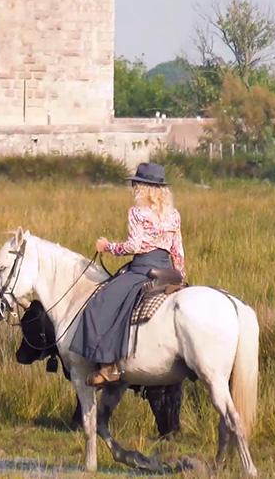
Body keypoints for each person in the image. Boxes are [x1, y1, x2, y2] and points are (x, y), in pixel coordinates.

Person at [72, 161, 185, 386]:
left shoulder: (137, 212)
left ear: (143, 188)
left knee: (101, 302)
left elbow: (134, 246)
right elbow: (178, 250)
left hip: (143, 268)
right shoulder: (174, 215)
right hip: (168, 271)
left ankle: (108, 366)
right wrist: (179, 276)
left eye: (136, 185)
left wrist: (108, 247)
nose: (134, 189)